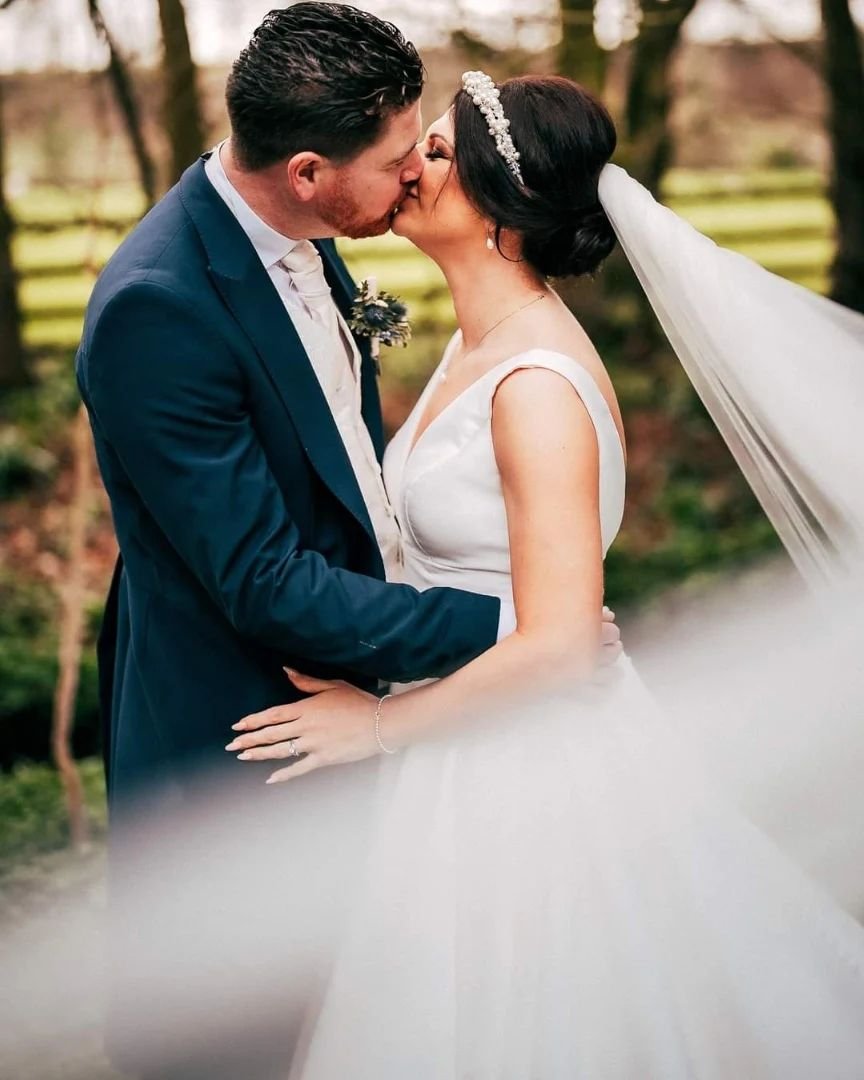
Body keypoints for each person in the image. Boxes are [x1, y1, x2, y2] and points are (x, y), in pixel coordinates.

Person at [229, 73, 864, 1077]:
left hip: (528, 776)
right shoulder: (477, 349)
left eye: (435, 154)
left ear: (503, 209)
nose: (408, 168)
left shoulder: (535, 385)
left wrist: (377, 725)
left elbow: (563, 644)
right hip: (465, 744)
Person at [76, 7, 622, 1077]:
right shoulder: (161, 305)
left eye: (431, 152)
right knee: (224, 1042)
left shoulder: (319, 245)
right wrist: (518, 628)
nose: (414, 175)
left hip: (411, 727)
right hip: (238, 733)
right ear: (311, 172)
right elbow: (264, 581)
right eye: (397, 160)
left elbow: (349, 484)